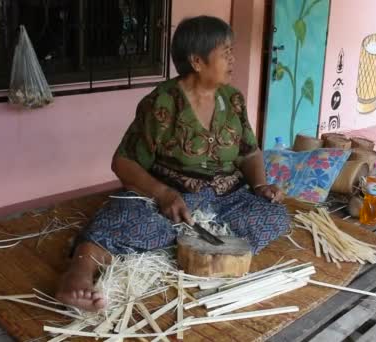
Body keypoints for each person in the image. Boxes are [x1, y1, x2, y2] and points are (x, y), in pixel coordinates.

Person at [55, 16, 290, 311]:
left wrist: (259, 186)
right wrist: (164, 194)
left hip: (228, 199)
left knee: (274, 215)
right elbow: (123, 162)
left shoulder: (233, 100)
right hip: (173, 201)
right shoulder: (162, 103)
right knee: (122, 215)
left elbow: (250, 152)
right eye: (225, 51)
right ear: (197, 61)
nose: (233, 58)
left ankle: (193, 247)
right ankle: (79, 272)